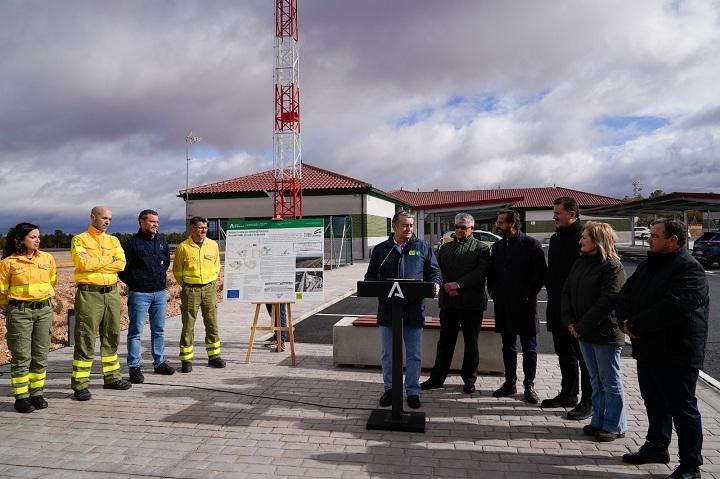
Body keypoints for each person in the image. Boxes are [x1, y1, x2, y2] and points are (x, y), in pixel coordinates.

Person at [619, 219, 709, 479]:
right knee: (654, 402)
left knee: (682, 408)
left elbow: (675, 306)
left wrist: (636, 323)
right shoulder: (648, 265)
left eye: (655, 236)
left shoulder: (690, 270)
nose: (649, 239)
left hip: (677, 351)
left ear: (673, 241)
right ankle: (657, 446)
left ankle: (691, 465)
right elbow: (625, 294)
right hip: (648, 348)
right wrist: (625, 320)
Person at [364, 211, 442, 409]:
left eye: (412, 226)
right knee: (388, 354)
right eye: (405, 225)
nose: (409, 229)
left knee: (414, 355)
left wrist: (435, 283)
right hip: (389, 311)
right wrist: (371, 285)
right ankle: (390, 389)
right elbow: (370, 276)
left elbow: (434, 272)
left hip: (414, 310)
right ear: (394, 227)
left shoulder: (422, 247)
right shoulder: (381, 250)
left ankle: (413, 391)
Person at [561, 222, 626, 442]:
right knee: (596, 381)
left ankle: (614, 425)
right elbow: (567, 291)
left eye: (585, 238)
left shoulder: (612, 267)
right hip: (582, 332)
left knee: (610, 381)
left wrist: (580, 326)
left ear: (598, 241)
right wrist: (570, 321)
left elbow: (607, 301)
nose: (580, 241)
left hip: (604, 334)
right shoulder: (580, 262)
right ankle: (598, 420)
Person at [421, 212, 489, 394]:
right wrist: (445, 285)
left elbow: (480, 272)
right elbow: (437, 269)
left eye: (463, 227)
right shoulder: (445, 248)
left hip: (471, 304)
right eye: (456, 227)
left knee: (471, 343)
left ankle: (469, 379)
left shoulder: (481, 248)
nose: (459, 230)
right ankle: (437, 378)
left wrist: (458, 285)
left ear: (472, 229)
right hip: (449, 302)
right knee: (445, 342)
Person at [70, 206, 131, 400]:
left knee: (112, 334)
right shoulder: (79, 239)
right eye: (104, 218)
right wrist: (109, 259)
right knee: (85, 337)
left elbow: (121, 264)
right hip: (89, 294)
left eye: (110, 219)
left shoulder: (113, 240)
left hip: (111, 293)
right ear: (93, 217)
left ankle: (112, 377)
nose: (107, 221)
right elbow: (83, 264)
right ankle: (80, 384)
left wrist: (98, 260)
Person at [488, 210, 546, 403]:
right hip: (503, 305)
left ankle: (529, 385)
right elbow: (492, 274)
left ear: (513, 224)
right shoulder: (496, 247)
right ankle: (509, 383)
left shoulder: (531, 244)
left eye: (501, 223)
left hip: (525, 306)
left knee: (529, 347)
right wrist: (494, 293)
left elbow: (540, 275)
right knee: (508, 346)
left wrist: (528, 295)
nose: (498, 225)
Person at [543, 196, 593, 420]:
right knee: (564, 353)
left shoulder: (584, 238)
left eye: (558, 213)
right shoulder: (555, 239)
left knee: (584, 357)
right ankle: (568, 394)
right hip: (556, 305)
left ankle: (588, 401)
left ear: (572, 215)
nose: (554, 216)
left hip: (577, 309)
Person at [0, 223, 56, 413]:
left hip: (44, 312)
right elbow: (1, 291)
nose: (37, 240)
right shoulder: (8, 263)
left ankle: (37, 393)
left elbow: (52, 280)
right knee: (22, 356)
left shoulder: (48, 258)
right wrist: (12, 309)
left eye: (38, 236)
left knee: (40, 355)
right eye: (33, 237)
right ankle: (22, 397)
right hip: (20, 313)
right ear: (20, 240)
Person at [118, 209, 175, 384]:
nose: (155, 225)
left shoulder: (162, 242)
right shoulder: (131, 244)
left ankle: (159, 362)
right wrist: (136, 283)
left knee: (158, 330)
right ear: (141, 222)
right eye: (151, 222)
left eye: (157, 222)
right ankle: (134, 367)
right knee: (135, 332)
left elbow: (165, 264)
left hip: (159, 293)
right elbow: (122, 270)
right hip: (139, 294)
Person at [173, 216, 225, 373]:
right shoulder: (183, 247)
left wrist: (212, 281)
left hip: (209, 289)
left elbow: (217, 266)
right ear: (192, 229)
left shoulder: (212, 245)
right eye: (200, 228)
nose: (204, 230)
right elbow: (177, 271)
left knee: (212, 323)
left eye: (206, 228)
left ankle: (214, 356)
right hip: (191, 290)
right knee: (188, 325)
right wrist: (188, 285)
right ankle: (186, 359)